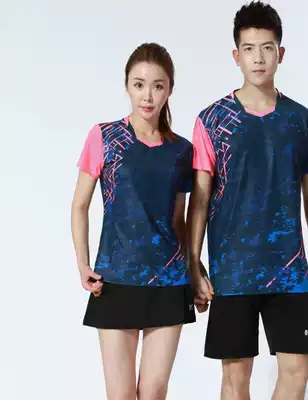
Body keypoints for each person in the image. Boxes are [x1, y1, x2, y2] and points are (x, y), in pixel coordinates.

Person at [187, 2, 308, 399]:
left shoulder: (302, 120)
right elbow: (199, 197)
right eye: (249, 49)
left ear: (280, 53)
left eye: (267, 48)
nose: (259, 58)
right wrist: (193, 262)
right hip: (232, 272)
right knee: (235, 381)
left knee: (296, 371)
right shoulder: (212, 120)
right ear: (237, 56)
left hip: (288, 269)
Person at [71, 42, 195, 400]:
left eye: (157, 85)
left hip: (169, 280)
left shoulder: (181, 150)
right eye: (139, 84)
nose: (147, 95)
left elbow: (179, 219)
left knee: (154, 391)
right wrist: (83, 264)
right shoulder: (104, 136)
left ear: (169, 89)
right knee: (121, 394)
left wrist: (194, 270)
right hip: (115, 279)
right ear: (127, 85)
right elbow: (79, 205)